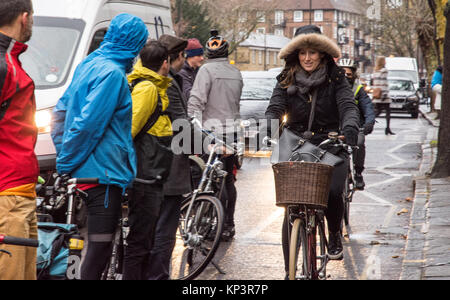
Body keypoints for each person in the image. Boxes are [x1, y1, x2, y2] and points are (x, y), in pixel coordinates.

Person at [51, 14, 148, 280]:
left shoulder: (89, 64)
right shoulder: (113, 75)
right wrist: (67, 161)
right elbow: (89, 125)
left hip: (84, 172)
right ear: (136, 45)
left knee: (77, 243)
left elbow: (60, 112)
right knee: (99, 247)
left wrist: (66, 158)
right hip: (104, 175)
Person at [263, 25, 360, 273]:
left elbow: (348, 105)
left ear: (322, 54)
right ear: (295, 54)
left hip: (329, 139)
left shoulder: (336, 77)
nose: (307, 58)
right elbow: (275, 107)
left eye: (313, 52)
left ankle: (335, 232)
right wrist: (269, 127)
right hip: (295, 142)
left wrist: (349, 127)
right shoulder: (286, 77)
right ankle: (289, 271)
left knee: (334, 190)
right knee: (291, 206)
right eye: (302, 52)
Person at [123, 41, 174, 280]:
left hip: (151, 174)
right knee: (140, 242)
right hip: (144, 175)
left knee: (145, 238)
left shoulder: (154, 86)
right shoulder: (148, 89)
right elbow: (130, 129)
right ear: (165, 64)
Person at [188, 30, 243, 241]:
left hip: (211, 133)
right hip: (232, 133)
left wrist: (191, 123)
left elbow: (196, 101)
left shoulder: (205, 71)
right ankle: (228, 224)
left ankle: (212, 223)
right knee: (228, 179)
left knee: (208, 178)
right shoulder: (236, 72)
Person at [146, 34, 190, 280]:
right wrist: (204, 145)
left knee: (153, 226)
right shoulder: (168, 84)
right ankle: (159, 276)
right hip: (168, 167)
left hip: (154, 165)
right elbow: (180, 125)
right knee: (164, 229)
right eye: (182, 55)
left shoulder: (160, 80)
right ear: (174, 58)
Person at [0, 0, 36, 281]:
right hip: (6, 194)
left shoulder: (12, 61)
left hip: (18, 192)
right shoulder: (4, 65)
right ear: (24, 18)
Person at [338, 58, 376, 190]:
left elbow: (368, 108)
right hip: (336, 127)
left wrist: (369, 122)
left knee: (359, 143)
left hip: (355, 127)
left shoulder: (358, 89)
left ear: (353, 75)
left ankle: (358, 173)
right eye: (341, 74)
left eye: (348, 74)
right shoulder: (331, 88)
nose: (345, 77)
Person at [372, 56, 394, 135]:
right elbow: (383, 83)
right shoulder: (384, 71)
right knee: (387, 112)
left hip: (377, 94)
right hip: (384, 95)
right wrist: (384, 94)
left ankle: (367, 122)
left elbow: (375, 84)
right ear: (382, 62)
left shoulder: (375, 71)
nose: (386, 62)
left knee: (378, 111)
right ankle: (387, 128)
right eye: (384, 60)